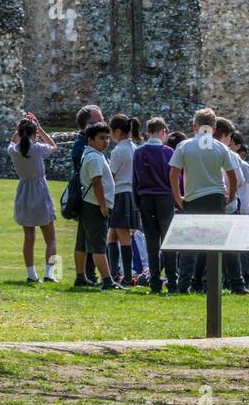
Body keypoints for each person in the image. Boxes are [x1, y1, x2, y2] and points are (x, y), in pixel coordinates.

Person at [169, 108, 241, 294]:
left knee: (189, 244)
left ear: (195, 126)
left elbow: (173, 174)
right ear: (214, 128)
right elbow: (233, 177)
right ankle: (217, 284)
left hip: (193, 199)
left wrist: (179, 198)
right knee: (216, 243)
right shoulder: (220, 147)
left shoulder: (184, 146)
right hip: (216, 198)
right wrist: (230, 196)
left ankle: (183, 285)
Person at [7, 114, 57, 282]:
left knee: (29, 239)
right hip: (40, 191)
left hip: (24, 191)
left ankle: (31, 274)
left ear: (20, 133)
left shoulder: (13, 150)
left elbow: (13, 141)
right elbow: (53, 146)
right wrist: (39, 127)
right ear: (34, 133)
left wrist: (21, 128)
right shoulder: (37, 148)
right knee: (50, 239)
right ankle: (50, 273)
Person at [75, 122, 123, 290]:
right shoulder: (95, 157)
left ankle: (80, 277)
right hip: (95, 205)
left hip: (89, 203)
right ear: (90, 140)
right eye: (101, 138)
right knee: (99, 245)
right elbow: (97, 182)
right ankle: (107, 281)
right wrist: (103, 205)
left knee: (82, 242)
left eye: (108, 137)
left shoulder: (92, 154)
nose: (106, 141)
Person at [135, 116, 177, 293]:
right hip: (165, 198)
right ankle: (172, 281)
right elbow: (175, 178)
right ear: (163, 132)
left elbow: (134, 180)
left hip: (146, 198)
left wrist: (138, 203)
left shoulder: (139, 152)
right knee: (168, 241)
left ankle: (154, 281)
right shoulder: (168, 152)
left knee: (151, 241)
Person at [107, 114, 141, 286]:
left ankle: (127, 277)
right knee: (112, 236)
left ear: (117, 131)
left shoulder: (119, 150)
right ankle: (114, 273)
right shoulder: (134, 147)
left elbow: (111, 176)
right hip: (130, 193)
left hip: (120, 194)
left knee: (123, 235)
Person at [72, 104, 104, 283]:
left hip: (88, 197)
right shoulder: (83, 147)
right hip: (90, 198)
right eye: (96, 122)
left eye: (102, 120)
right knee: (92, 239)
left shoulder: (86, 144)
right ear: (85, 125)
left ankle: (84, 276)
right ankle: (92, 276)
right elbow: (93, 178)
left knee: (85, 239)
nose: (101, 124)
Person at [225, 128, 249, 288]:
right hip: (234, 207)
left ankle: (247, 277)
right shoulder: (227, 162)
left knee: (242, 247)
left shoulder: (243, 165)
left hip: (243, 210)